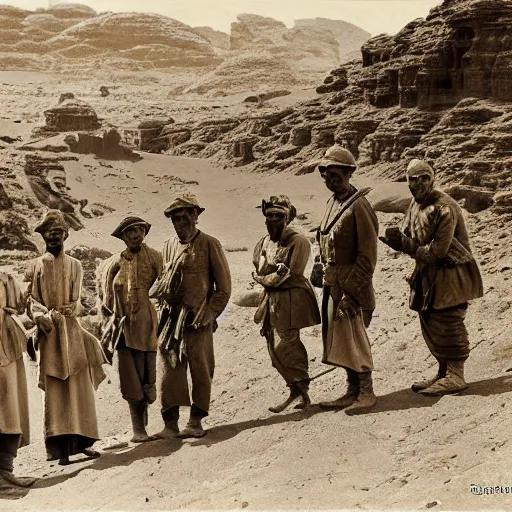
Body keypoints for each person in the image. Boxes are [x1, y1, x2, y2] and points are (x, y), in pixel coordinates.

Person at [380, 159, 483, 395]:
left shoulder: (444, 207)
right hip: (427, 274)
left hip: (450, 274)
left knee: (448, 321)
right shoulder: (416, 205)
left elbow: (439, 250)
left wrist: (407, 246)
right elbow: (411, 237)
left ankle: (456, 375)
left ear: (433, 179)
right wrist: (398, 242)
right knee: (430, 323)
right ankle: (444, 372)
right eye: (413, 179)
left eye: (424, 178)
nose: (419, 183)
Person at [25, 210, 108, 465]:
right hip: (49, 334)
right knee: (55, 391)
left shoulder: (75, 265)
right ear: (44, 238)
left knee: (78, 387)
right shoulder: (36, 266)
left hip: (71, 330)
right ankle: (60, 450)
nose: (54, 238)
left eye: (57, 234)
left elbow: (80, 302)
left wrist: (75, 309)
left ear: (65, 235)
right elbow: (32, 301)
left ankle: (82, 444)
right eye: (49, 234)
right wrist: (43, 317)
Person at [153, 195, 231, 439]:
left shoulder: (210, 244)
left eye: (186, 217)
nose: (181, 223)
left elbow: (224, 288)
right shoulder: (167, 247)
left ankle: (196, 421)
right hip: (170, 320)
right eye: (176, 219)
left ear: (196, 217)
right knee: (169, 370)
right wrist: (160, 309)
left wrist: (209, 313)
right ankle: (170, 424)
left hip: (198, 318)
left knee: (201, 368)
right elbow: (161, 284)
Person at [314, 144, 379, 414]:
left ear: (349, 172)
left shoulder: (359, 206)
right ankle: (351, 389)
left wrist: (352, 293)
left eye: (336, 173)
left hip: (353, 289)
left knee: (356, 340)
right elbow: (327, 243)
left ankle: (366, 391)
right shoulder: (333, 203)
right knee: (341, 340)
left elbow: (367, 256)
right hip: (333, 286)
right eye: (327, 173)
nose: (331, 178)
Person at [252, 195, 321, 413]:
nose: (273, 220)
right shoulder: (264, 241)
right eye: (270, 215)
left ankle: (302, 391)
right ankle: (295, 389)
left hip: (292, 300)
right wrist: (267, 277)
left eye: (278, 216)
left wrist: (264, 279)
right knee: (273, 348)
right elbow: (260, 266)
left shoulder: (298, 241)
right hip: (271, 300)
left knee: (288, 345)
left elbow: (292, 274)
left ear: (287, 218)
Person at [99, 217, 163, 443]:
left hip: (147, 323)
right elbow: (105, 297)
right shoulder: (114, 263)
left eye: (138, 230)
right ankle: (138, 429)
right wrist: (111, 321)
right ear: (123, 237)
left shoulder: (155, 257)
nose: (134, 235)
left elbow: (163, 288)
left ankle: (145, 420)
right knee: (129, 377)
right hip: (123, 327)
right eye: (129, 232)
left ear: (144, 232)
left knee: (147, 375)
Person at [0, 273, 37, 494]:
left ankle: (5, 470)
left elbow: (20, 311)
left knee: (10, 409)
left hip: (6, 347)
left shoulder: (7, 280)